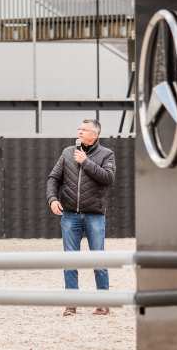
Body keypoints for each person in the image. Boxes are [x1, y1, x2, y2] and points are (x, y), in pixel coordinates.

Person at [46, 119, 116, 316]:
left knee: (98, 259)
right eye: (79, 129)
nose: (79, 132)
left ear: (95, 135)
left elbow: (108, 178)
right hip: (70, 216)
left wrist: (85, 162)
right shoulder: (67, 152)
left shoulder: (107, 154)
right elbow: (53, 178)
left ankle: (103, 303)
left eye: (83, 130)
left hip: (95, 215)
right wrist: (52, 199)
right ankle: (71, 304)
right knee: (70, 260)